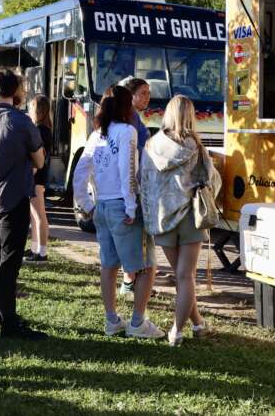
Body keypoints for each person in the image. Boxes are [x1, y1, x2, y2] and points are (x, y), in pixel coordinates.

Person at [73, 85, 163, 340]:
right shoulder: (128, 131)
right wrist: (131, 206)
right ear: (126, 106)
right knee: (146, 266)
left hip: (101, 205)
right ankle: (137, 322)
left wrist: (87, 204)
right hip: (122, 206)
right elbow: (128, 169)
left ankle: (112, 319)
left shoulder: (96, 135)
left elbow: (80, 172)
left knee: (109, 265)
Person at [140, 95, 219, 345]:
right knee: (186, 277)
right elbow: (211, 179)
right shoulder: (195, 145)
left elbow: (144, 182)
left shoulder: (152, 145)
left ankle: (197, 324)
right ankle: (178, 331)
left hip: (163, 218)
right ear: (190, 114)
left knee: (182, 275)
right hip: (190, 217)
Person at [0, 69, 47, 340]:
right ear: (16, 91)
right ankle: (9, 321)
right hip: (14, 196)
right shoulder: (22, 121)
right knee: (10, 259)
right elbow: (39, 161)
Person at [118, 77, 152, 296]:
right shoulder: (130, 118)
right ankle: (130, 282)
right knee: (134, 237)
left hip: (134, 183)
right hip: (134, 185)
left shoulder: (133, 116)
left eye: (148, 92)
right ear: (131, 96)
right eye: (143, 93)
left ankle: (129, 280)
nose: (148, 97)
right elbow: (131, 157)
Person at [24, 95, 53, 263]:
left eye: (31, 108)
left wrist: (30, 175)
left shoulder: (41, 131)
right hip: (36, 175)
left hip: (36, 176)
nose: (29, 111)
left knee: (39, 214)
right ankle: (35, 248)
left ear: (39, 111)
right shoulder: (42, 129)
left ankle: (42, 252)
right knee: (34, 215)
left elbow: (39, 157)